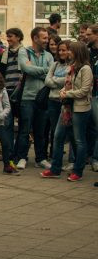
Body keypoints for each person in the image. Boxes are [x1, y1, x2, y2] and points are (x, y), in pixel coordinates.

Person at [41, 42, 92, 181]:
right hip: (67, 108)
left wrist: (67, 94)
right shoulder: (72, 68)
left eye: (71, 50)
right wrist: (64, 91)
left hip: (80, 108)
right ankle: (55, 169)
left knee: (79, 140)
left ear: (78, 52)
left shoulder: (86, 69)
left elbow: (84, 90)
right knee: (57, 136)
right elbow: (67, 85)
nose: (68, 53)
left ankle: (78, 171)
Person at [15, 27, 54, 170]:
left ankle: (41, 158)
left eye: (47, 38)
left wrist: (37, 70)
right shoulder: (23, 51)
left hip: (43, 98)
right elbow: (26, 69)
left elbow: (51, 73)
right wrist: (45, 71)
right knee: (24, 129)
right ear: (35, 38)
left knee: (41, 131)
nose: (47, 40)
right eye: (44, 38)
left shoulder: (49, 55)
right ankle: (21, 158)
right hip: (27, 97)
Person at [0, 27, 24, 162]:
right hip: (6, 92)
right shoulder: (4, 54)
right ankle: (8, 152)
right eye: (7, 36)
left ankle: (18, 153)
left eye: (11, 36)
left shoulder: (25, 53)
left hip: (21, 93)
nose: (8, 39)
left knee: (22, 125)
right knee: (7, 124)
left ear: (18, 37)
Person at [44, 40, 71, 163]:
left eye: (63, 50)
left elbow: (69, 81)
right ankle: (56, 160)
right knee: (55, 132)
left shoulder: (73, 65)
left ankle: (72, 161)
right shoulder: (55, 64)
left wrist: (55, 80)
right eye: (59, 50)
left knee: (70, 132)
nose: (60, 52)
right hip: (52, 101)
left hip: (65, 101)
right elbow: (47, 81)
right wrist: (59, 80)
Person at [86, 24, 98, 172]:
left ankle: (95, 158)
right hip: (88, 94)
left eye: (89, 34)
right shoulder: (88, 52)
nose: (86, 37)